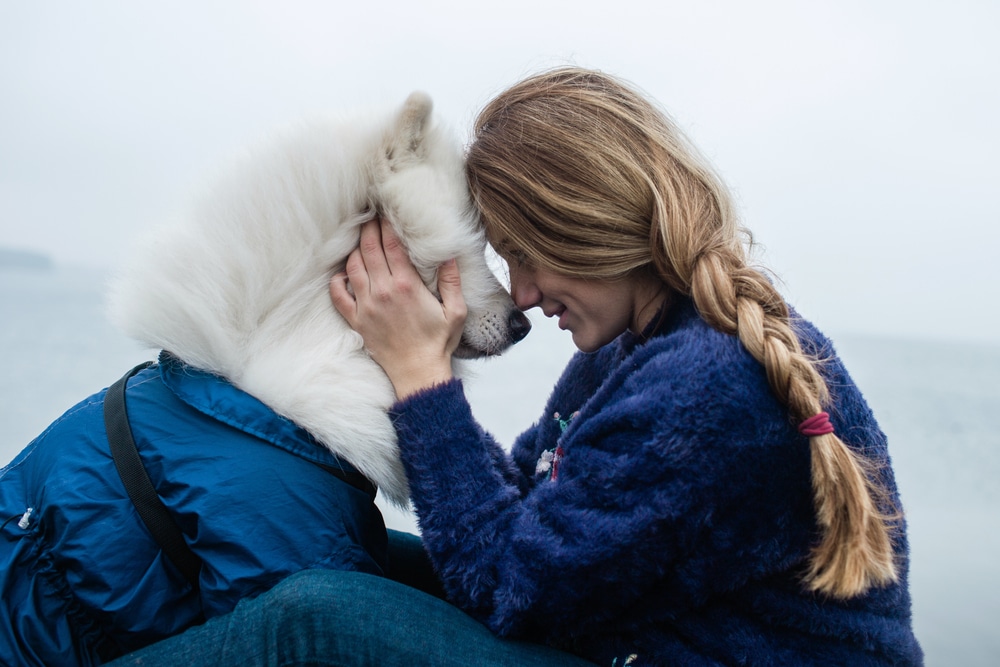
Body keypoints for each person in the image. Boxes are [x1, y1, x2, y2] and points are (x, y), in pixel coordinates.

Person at [110, 67, 923, 665]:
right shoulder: (634, 354)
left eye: (528, 258)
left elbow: (510, 585)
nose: (524, 295)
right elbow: (523, 520)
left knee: (313, 619)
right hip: (632, 642)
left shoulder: (705, 390)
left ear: (592, 225)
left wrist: (422, 379)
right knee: (342, 547)